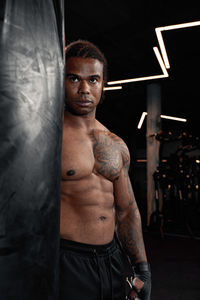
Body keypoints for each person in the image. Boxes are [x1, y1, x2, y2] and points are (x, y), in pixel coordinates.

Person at [60, 40, 151, 300]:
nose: (84, 89)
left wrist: (142, 269)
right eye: (74, 79)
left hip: (111, 260)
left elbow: (127, 210)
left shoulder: (115, 143)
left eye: (93, 80)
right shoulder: (49, 138)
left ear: (103, 85)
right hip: (66, 259)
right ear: (61, 80)